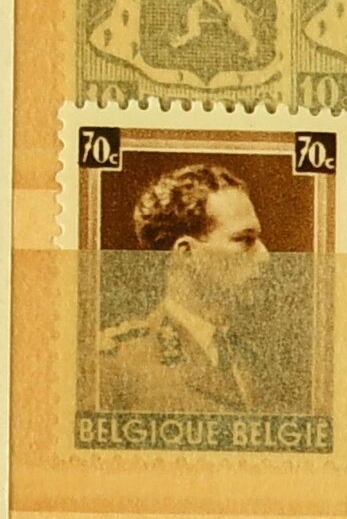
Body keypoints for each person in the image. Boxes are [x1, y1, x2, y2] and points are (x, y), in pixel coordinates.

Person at [95, 158, 296, 421]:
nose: (264, 256)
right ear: (187, 253)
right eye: (244, 240)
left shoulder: (257, 363)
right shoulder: (117, 364)